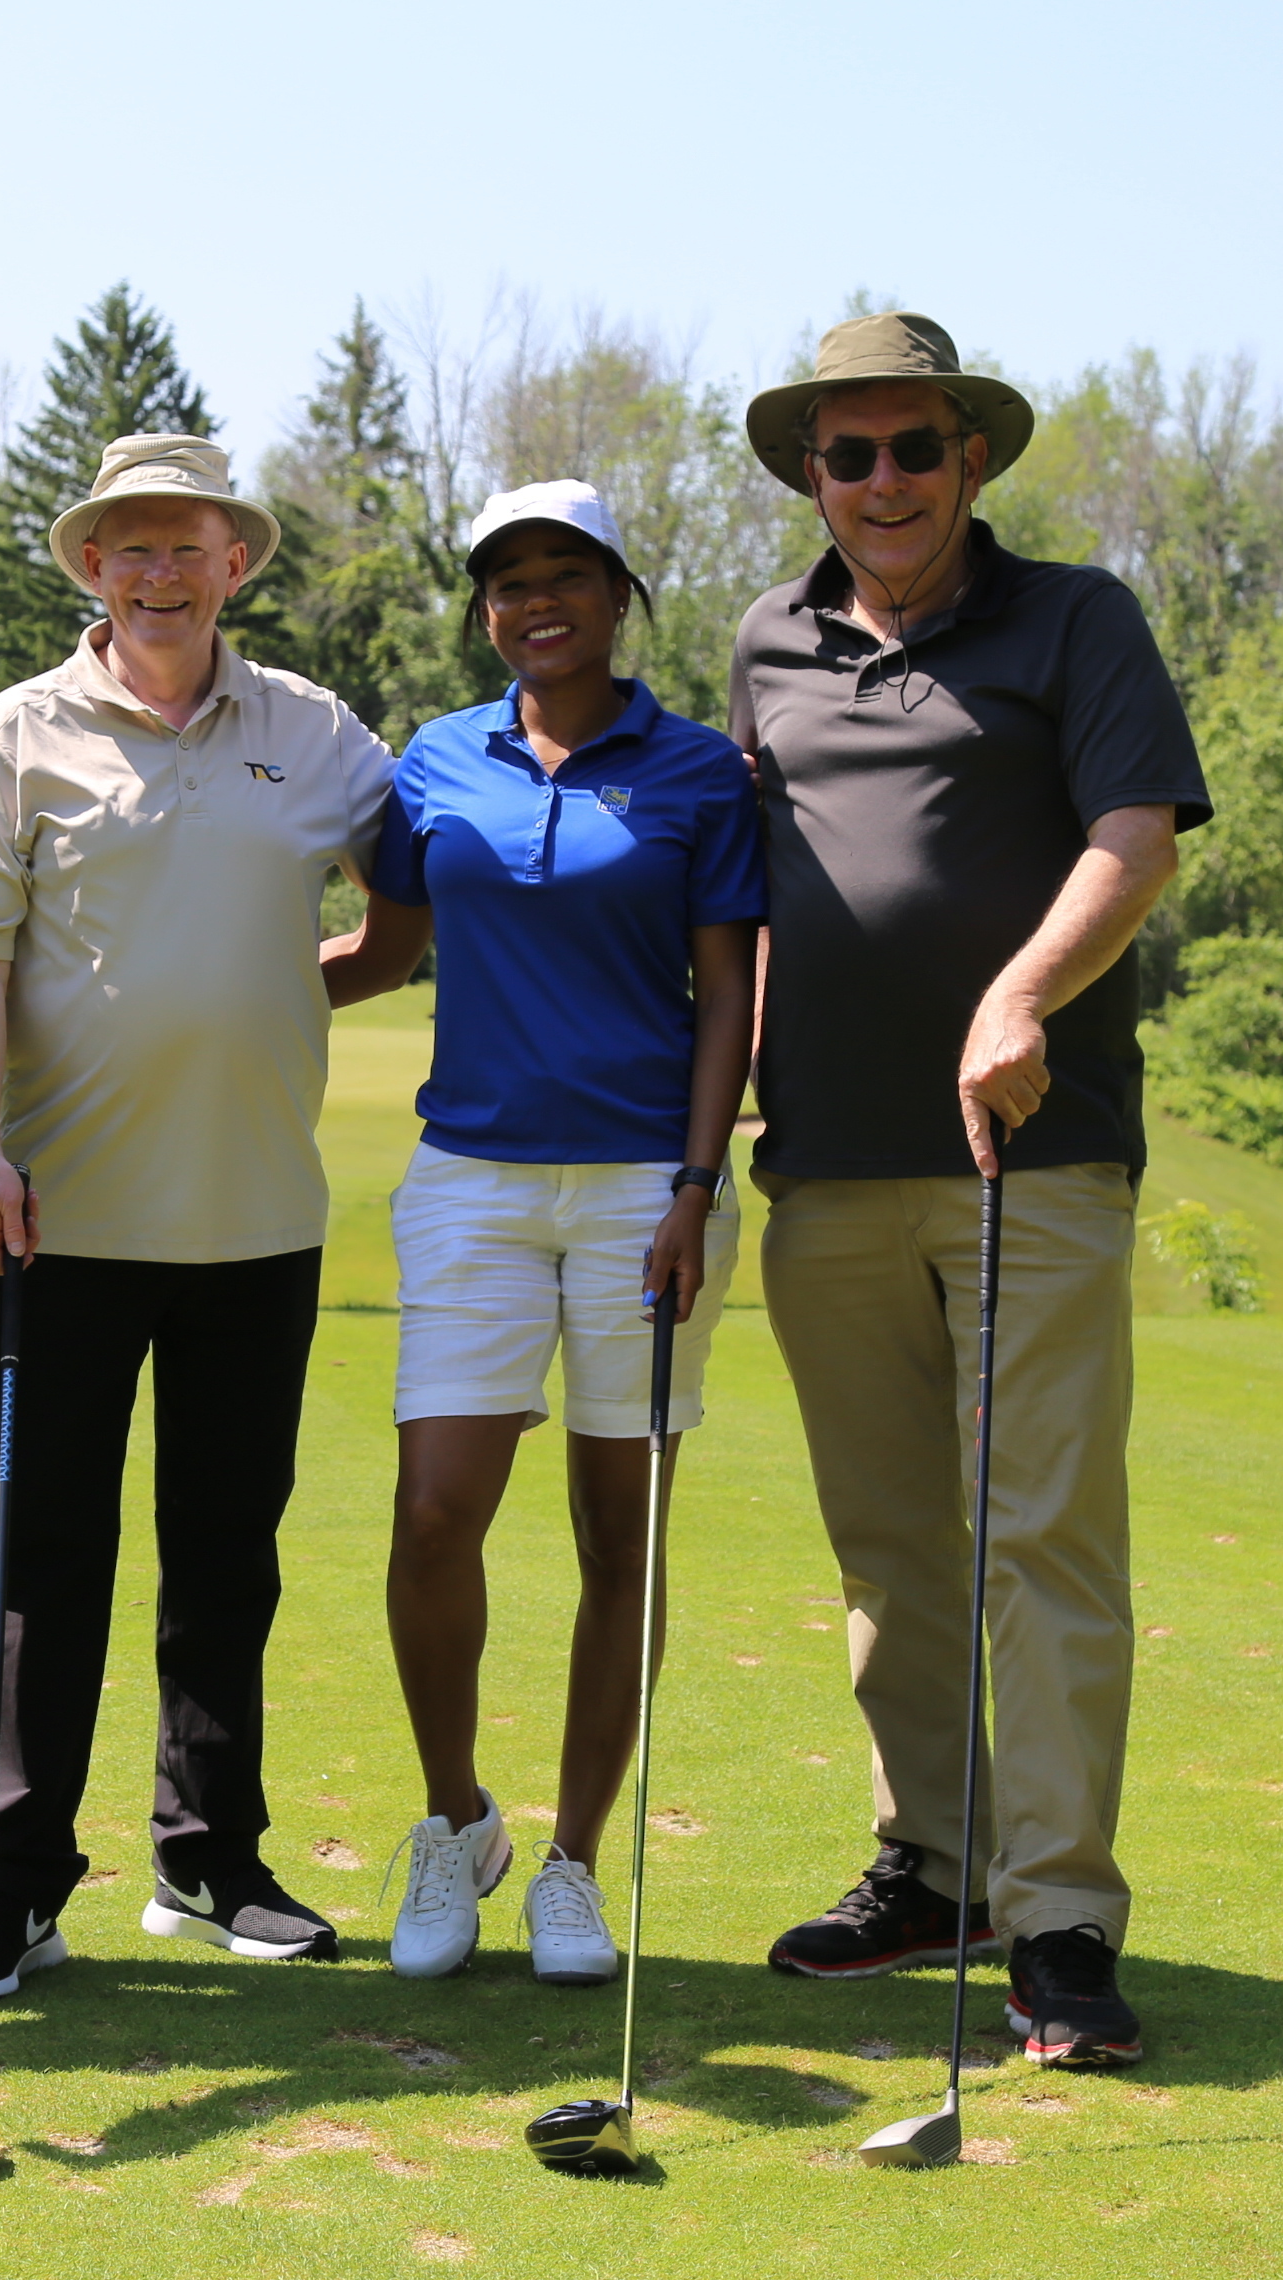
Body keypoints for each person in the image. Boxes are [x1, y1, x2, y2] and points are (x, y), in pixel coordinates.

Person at [728, 313, 1212, 2070]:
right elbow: (753, 899)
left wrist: (1018, 997)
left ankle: (1061, 1915)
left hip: (1035, 1153)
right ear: (812, 473)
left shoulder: (1075, 619)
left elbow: (1135, 838)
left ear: (972, 458)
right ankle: (936, 1866)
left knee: (1043, 1538)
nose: (883, 482)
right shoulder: (768, 643)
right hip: (827, 1165)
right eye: (847, 455)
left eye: (913, 449)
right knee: (890, 1547)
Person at [0, 433, 417, 2002]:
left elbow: (412, 886)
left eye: (186, 543)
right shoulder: (15, 736)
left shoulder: (314, 731)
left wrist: (322, 975)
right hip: (57, 1223)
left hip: (259, 1223)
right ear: (91, 564)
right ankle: (12, 1886)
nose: (158, 570)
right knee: (36, 1564)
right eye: (129, 544)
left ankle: (207, 1863)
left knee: (224, 1561)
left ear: (234, 562)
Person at [353, 482, 762, 1985]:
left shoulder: (699, 771)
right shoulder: (434, 761)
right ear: (485, 611)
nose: (538, 601)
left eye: (568, 575)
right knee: (433, 1515)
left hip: (648, 1188)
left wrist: (698, 1185)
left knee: (618, 1534)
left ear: (618, 597)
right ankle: (458, 1822)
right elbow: (386, 948)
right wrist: (183, 1002)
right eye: (510, 580)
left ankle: (574, 1865)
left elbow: (728, 992)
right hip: (472, 1178)